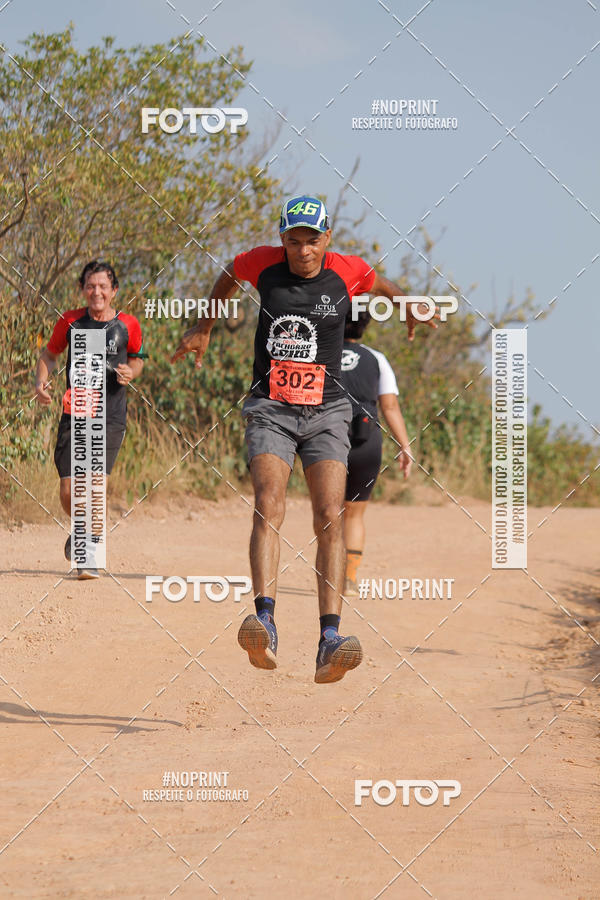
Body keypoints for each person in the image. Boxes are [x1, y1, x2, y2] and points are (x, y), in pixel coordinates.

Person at [172, 195, 437, 683]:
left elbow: (382, 283)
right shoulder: (263, 264)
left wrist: (408, 306)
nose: (303, 251)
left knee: (330, 514)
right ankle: (265, 623)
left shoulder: (346, 270)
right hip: (270, 407)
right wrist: (204, 326)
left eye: (312, 241)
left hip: (328, 411)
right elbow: (229, 273)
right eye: (293, 242)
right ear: (282, 240)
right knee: (268, 503)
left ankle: (329, 639)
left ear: (326, 238)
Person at [35, 260, 146, 579]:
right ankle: (81, 528)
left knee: (95, 484)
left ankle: (88, 556)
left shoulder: (128, 324)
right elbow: (49, 355)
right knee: (69, 489)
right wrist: (41, 381)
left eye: (103, 286)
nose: (96, 292)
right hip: (75, 412)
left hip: (110, 415)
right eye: (90, 286)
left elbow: (137, 359)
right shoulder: (70, 321)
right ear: (83, 289)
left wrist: (130, 371)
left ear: (114, 291)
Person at [341, 309, 412, 596]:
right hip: (366, 442)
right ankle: (349, 578)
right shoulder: (377, 359)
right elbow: (390, 407)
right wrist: (404, 445)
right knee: (354, 514)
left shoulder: (320, 353)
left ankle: (328, 575)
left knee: (328, 512)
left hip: (326, 440)